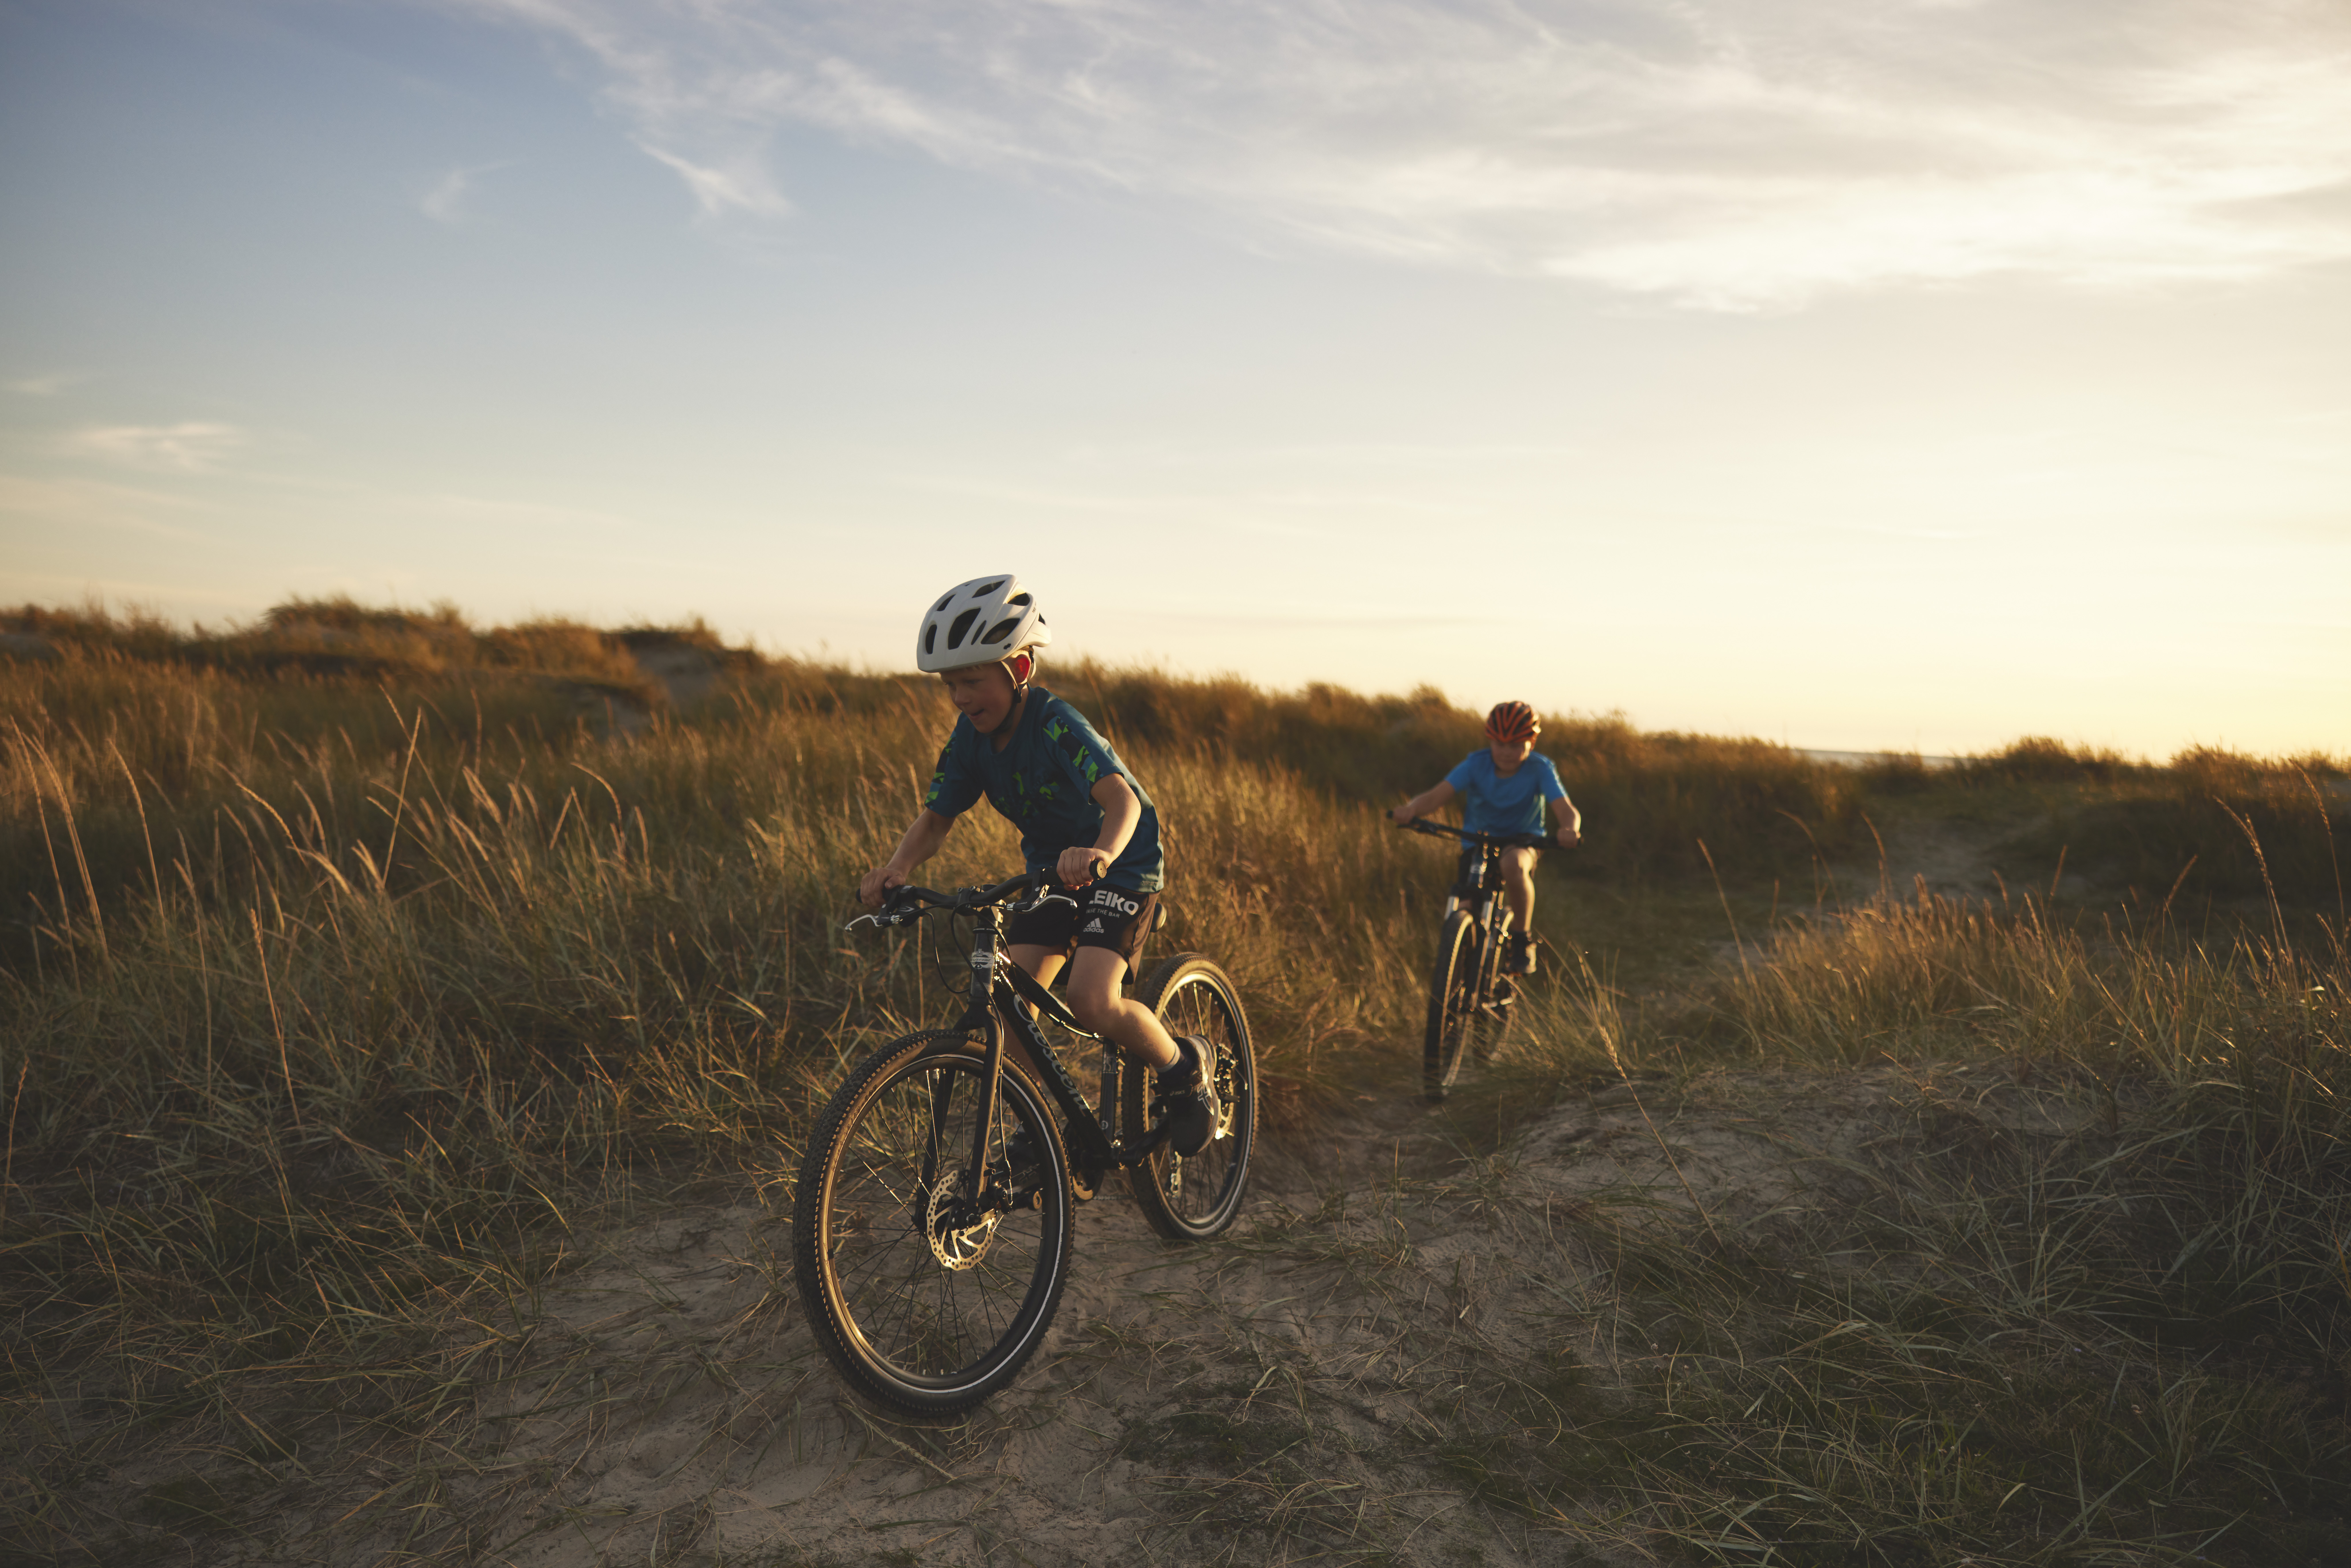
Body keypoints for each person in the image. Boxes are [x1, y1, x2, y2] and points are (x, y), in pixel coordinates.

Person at [859, 574, 1219, 1156]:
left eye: (973, 680)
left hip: (1121, 863)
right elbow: (936, 819)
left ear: (1019, 671)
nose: (959, 696)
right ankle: (1039, 1130)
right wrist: (896, 866)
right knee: (1010, 1003)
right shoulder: (969, 739)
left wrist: (1101, 853)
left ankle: (1183, 1068)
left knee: (1091, 998)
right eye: (950, 683)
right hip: (1050, 873)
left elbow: (1122, 799)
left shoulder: (1056, 723)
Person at [1389, 700, 1581, 974]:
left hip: (1523, 842)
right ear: (1490, 740)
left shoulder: (1541, 769)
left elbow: (1565, 809)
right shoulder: (1475, 765)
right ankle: (1461, 968)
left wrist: (1569, 829)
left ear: (1532, 743)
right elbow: (1436, 796)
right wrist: (1411, 810)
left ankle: (1521, 940)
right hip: (1478, 841)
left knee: (1513, 866)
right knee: (1467, 902)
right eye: (1500, 744)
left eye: (1516, 745)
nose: (1506, 752)